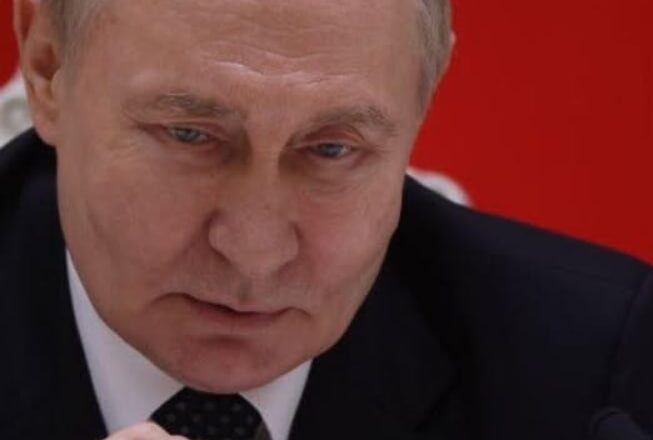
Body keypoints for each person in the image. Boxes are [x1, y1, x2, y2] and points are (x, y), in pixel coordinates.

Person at [1, 0, 651, 439]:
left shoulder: (593, 369)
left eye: (331, 150)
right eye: (189, 134)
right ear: (47, 64)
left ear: (424, 98)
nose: (255, 253)